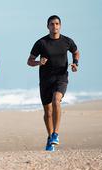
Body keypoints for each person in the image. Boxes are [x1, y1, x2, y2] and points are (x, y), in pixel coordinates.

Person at [27, 15, 80, 151]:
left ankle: (56, 134)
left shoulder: (67, 41)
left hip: (61, 78)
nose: (54, 26)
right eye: (52, 24)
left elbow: (76, 52)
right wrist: (39, 62)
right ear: (48, 26)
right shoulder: (41, 43)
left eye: (57, 24)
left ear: (60, 26)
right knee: (48, 112)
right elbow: (29, 61)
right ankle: (50, 137)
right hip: (45, 80)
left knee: (56, 100)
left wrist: (75, 63)